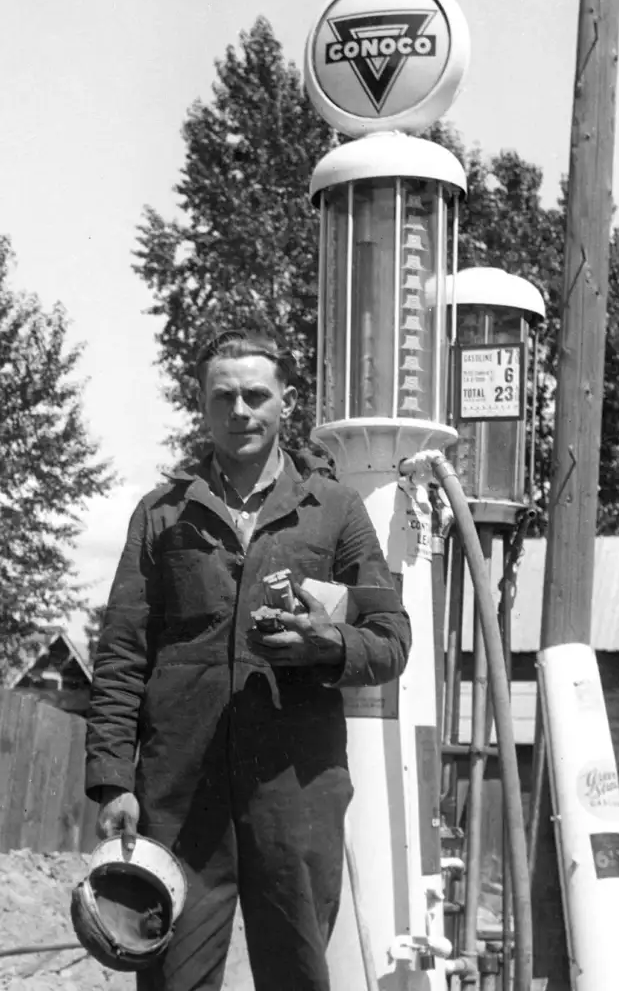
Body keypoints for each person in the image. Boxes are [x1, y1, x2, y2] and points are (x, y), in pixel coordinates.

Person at [85, 328, 411, 991]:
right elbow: (120, 653)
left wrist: (321, 644)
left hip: (296, 791)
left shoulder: (336, 512)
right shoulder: (162, 515)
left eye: (256, 395)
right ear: (201, 406)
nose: (240, 410)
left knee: (296, 972)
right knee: (173, 976)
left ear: (285, 402)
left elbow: (391, 639)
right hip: (180, 795)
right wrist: (114, 779)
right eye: (223, 396)